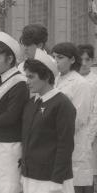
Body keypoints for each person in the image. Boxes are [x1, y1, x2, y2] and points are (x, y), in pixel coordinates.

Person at [21, 49, 76, 193]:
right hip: (31, 176)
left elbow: (66, 145)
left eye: (31, 77)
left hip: (52, 180)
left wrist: (56, 180)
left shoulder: (62, 104)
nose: (27, 82)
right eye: (26, 77)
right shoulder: (32, 103)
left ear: (46, 77)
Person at [0, 32, 29, 193]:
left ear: (10, 59)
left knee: (9, 188)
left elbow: (12, 116)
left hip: (10, 144)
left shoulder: (20, 83)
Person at [52, 42, 93, 193]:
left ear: (72, 60)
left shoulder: (80, 83)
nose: (56, 60)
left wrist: (54, 131)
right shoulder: (56, 79)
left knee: (74, 185)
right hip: (56, 142)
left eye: (60, 57)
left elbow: (78, 119)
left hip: (73, 141)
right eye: (54, 57)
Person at [78, 44, 97, 187]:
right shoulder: (68, 78)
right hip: (72, 133)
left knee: (88, 175)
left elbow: (95, 112)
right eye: (81, 59)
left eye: (87, 59)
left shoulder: (95, 81)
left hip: (90, 135)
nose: (84, 63)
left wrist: (89, 137)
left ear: (92, 60)